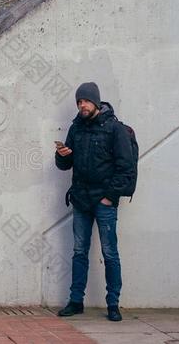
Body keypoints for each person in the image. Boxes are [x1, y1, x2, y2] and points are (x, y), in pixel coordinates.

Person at [54, 82, 136, 322]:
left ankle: (113, 304)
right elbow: (65, 166)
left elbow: (126, 167)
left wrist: (109, 197)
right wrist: (61, 156)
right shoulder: (76, 129)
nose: (82, 106)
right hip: (81, 199)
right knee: (79, 251)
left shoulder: (114, 129)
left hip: (104, 202)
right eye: (79, 102)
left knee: (110, 253)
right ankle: (76, 301)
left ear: (96, 102)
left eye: (86, 101)